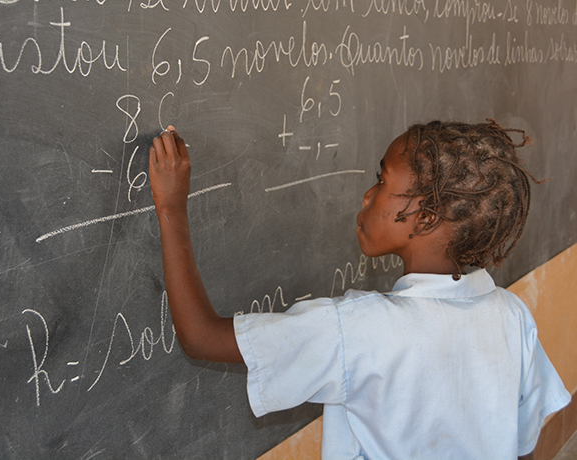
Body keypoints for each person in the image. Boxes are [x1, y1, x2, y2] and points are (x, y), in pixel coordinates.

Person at [148, 120, 570, 460]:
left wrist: (171, 208)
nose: (368, 195)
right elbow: (522, 446)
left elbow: (200, 336)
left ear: (424, 218)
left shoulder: (357, 329)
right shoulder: (512, 316)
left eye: (382, 181)